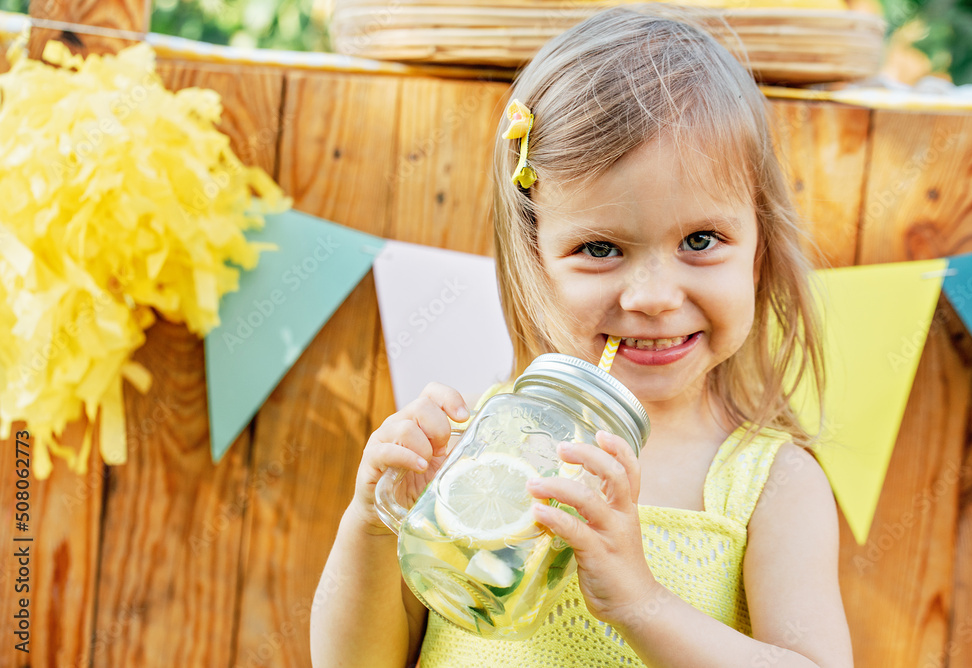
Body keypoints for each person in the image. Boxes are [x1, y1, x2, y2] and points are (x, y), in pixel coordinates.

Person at [311, 5, 853, 667]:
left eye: (701, 240)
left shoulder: (769, 484)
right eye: (600, 247)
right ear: (534, 257)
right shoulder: (488, 444)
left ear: (759, 251)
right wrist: (368, 526)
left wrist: (639, 603)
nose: (653, 297)